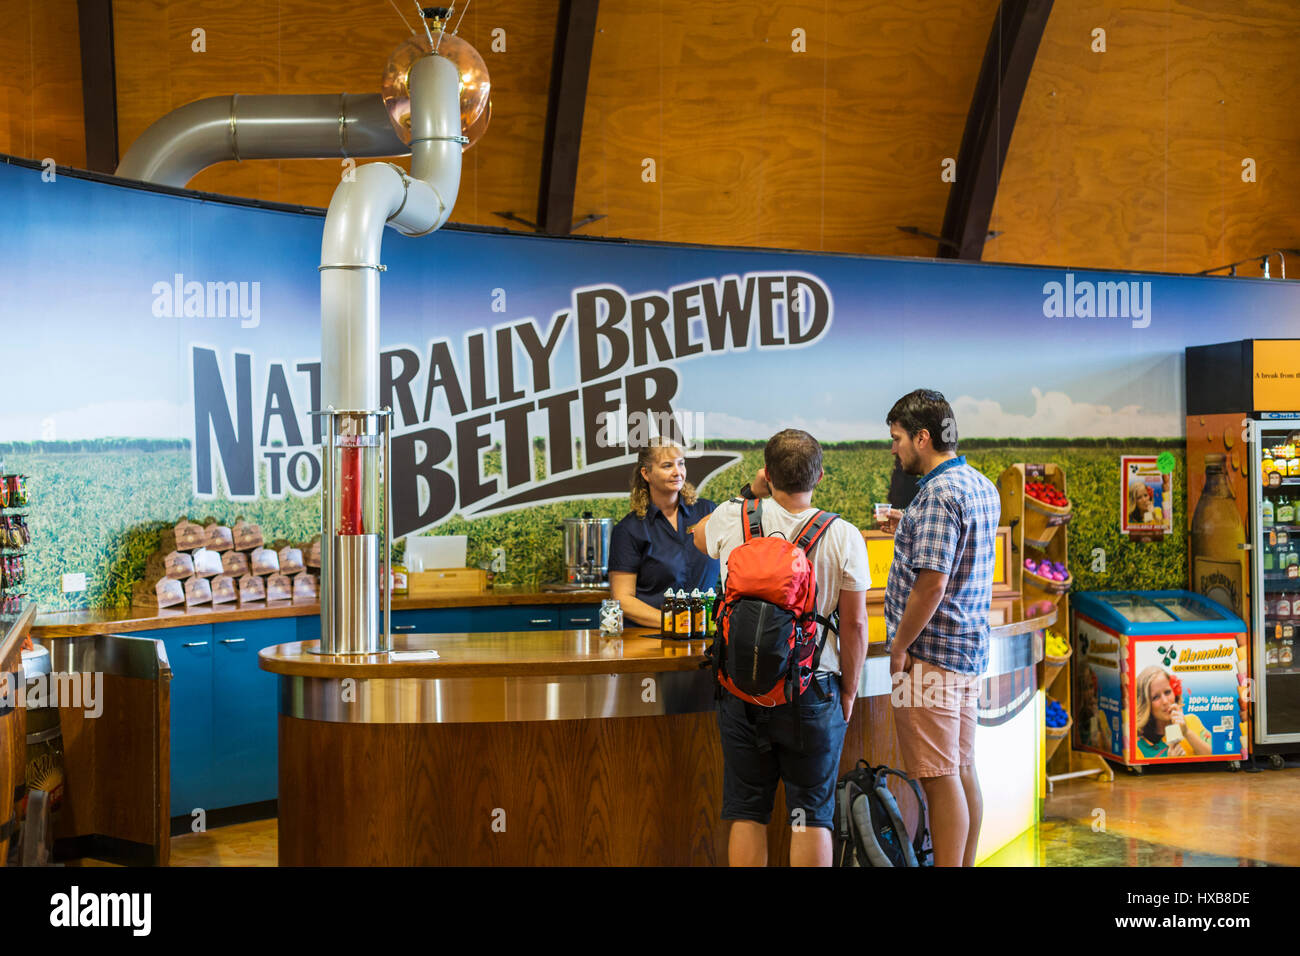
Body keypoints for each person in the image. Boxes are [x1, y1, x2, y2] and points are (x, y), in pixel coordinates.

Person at [692, 429, 869, 867]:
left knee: (747, 811)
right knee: (810, 815)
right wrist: (848, 690)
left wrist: (748, 492)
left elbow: (697, 536)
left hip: (741, 689)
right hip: (813, 689)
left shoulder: (736, 516)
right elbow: (856, 624)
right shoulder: (843, 534)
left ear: (767, 474)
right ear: (821, 476)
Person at [877, 389, 1000, 867]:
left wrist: (899, 646)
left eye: (897, 438)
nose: (894, 449)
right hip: (966, 651)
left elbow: (931, 586)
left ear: (922, 437)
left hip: (930, 655)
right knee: (961, 768)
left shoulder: (935, 494)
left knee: (937, 775)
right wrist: (907, 524)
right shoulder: (977, 484)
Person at [608, 438, 720, 627]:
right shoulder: (628, 530)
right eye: (667, 466)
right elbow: (623, 599)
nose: (678, 472)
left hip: (705, 635)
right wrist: (675, 622)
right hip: (650, 637)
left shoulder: (707, 512)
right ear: (646, 473)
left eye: (681, 464)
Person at [1135, 666, 1212, 757]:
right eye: (1155, 697)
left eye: (1167, 692)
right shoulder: (1138, 746)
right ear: (1145, 704)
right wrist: (1169, 761)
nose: (1165, 701)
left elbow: (1217, 757)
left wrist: (1186, 732)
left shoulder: (1192, 721)